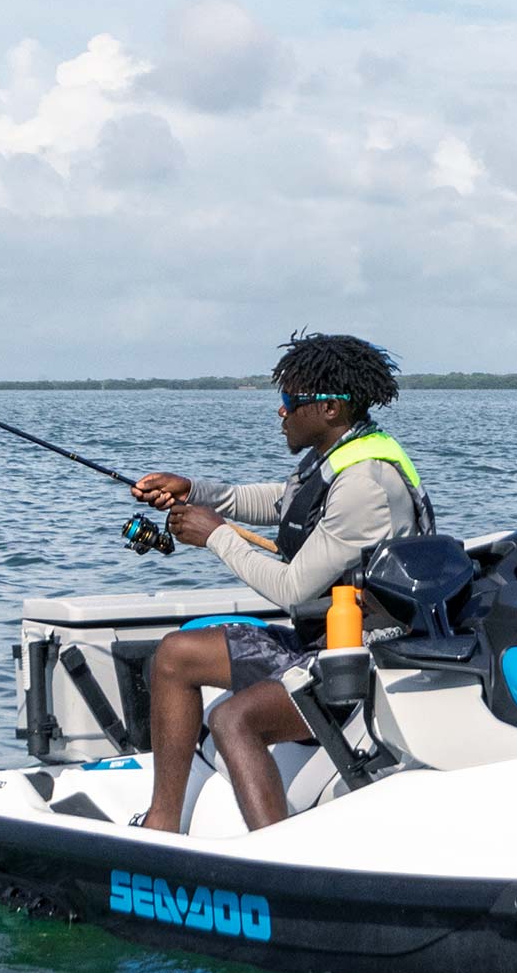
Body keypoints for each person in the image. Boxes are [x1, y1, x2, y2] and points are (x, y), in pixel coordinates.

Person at [127, 332, 430, 834]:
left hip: (359, 659)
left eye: (290, 401)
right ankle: (162, 822)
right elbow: (281, 504)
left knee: (233, 720)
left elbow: (291, 589)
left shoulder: (365, 486)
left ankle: (272, 852)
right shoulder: (345, 454)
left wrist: (216, 537)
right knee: (175, 655)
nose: (281, 412)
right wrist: (197, 492)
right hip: (325, 638)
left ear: (329, 407)